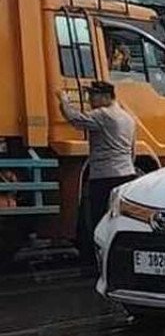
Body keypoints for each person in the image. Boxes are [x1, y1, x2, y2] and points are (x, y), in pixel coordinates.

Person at [58, 81, 136, 274]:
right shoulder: (128, 117)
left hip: (104, 176)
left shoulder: (103, 115)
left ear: (106, 97)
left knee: (100, 220)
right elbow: (133, 151)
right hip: (126, 173)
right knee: (119, 218)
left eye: (93, 96)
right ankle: (121, 260)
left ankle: (100, 262)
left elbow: (75, 119)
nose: (90, 100)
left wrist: (64, 101)